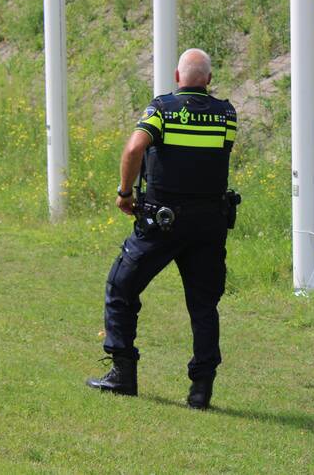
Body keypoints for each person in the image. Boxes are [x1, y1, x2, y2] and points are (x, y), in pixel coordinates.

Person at [86, 49, 238, 409]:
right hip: (209, 222)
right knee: (203, 305)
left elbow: (135, 147)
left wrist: (125, 194)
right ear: (210, 80)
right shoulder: (227, 114)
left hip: (162, 221)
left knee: (121, 284)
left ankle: (123, 373)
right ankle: (201, 389)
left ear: (176, 76)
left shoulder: (163, 110)